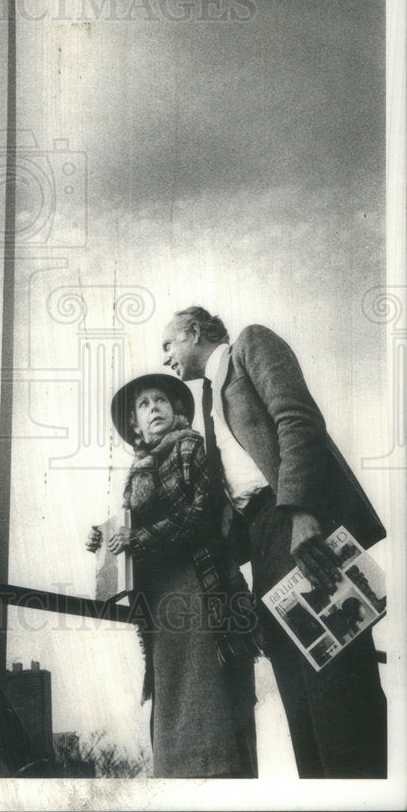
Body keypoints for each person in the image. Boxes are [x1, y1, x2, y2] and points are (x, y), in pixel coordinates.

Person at [161, 306, 387, 778]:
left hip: (296, 520)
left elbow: (298, 420)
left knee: (337, 678)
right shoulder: (206, 404)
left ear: (194, 331)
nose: (166, 359)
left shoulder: (249, 346)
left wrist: (302, 513)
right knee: (297, 688)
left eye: (169, 345)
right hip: (261, 541)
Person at [87, 373, 260, 778]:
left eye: (160, 401)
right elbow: (134, 526)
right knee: (172, 699)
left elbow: (200, 513)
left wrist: (138, 537)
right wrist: (105, 536)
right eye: (144, 405)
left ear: (178, 410)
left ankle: (217, 776)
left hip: (198, 586)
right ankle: (183, 780)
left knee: (206, 694)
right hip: (160, 600)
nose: (154, 409)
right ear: (135, 425)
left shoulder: (188, 445)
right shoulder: (140, 467)